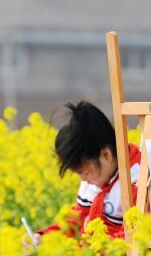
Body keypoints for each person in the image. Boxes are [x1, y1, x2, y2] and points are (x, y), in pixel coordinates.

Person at [36, 101, 141, 242]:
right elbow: (75, 220)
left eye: (83, 172)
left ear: (106, 155)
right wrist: (44, 237)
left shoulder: (138, 180)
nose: (83, 180)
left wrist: (82, 251)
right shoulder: (95, 179)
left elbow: (132, 239)